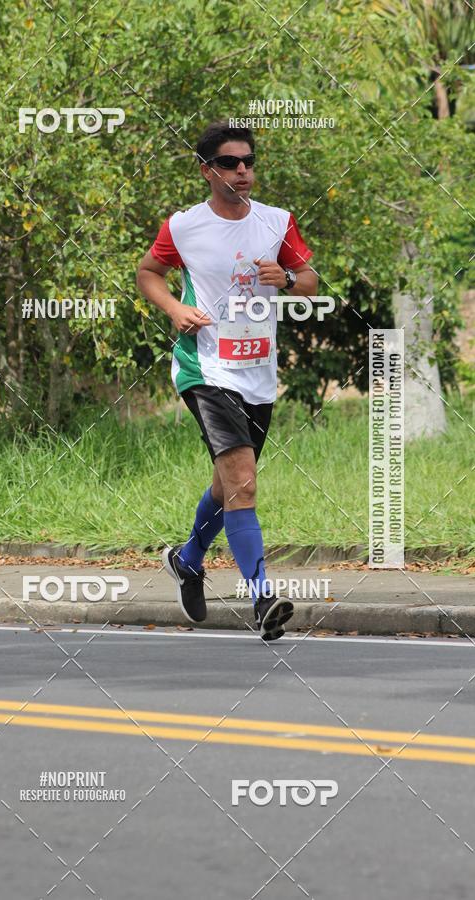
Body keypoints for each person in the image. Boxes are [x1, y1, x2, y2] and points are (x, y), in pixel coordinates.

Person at [136, 121, 318, 640]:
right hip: (205, 367)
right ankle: (262, 600)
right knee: (244, 481)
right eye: (232, 163)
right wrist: (174, 308)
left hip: (258, 372)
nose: (244, 171)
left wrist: (285, 279)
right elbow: (148, 272)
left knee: (227, 484)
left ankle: (189, 559)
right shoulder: (184, 226)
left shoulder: (277, 221)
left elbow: (308, 281)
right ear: (207, 171)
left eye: (249, 162)